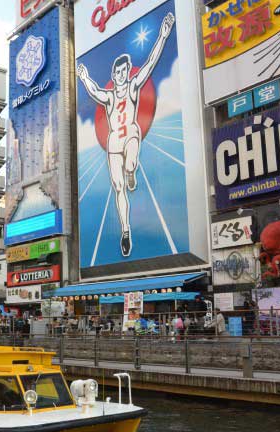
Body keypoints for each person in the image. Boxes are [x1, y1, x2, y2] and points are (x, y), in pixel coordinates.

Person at [77, 12, 175, 256]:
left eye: (124, 71)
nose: (121, 75)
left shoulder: (132, 87)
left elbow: (151, 64)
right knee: (118, 188)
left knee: (130, 163)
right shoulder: (109, 96)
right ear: (114, 74)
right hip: (113, 142)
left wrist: (163, 35)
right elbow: (94, 91)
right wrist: (84, 76)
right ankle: (126, 230)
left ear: (128, 71)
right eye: (118, 72)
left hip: (131, 133)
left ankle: (132, 171)